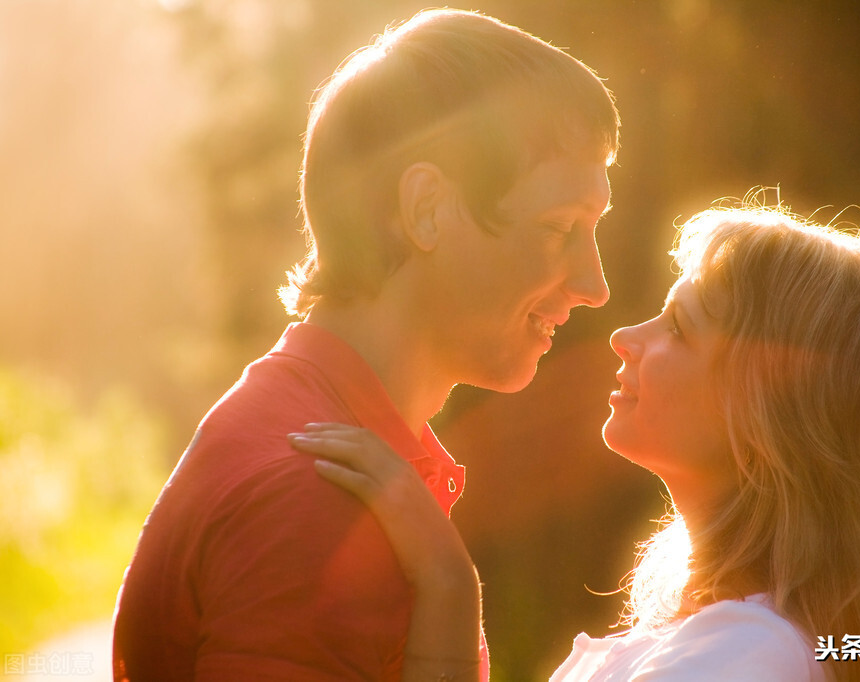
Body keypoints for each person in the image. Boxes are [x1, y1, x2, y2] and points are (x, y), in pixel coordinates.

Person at [112, 8, 619, 681]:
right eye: (560, 229)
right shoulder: (310, 500)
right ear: (426, 210)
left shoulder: (341, 455)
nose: (595, 286)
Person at [292, 200, 860, 682]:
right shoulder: (731, 643)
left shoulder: (742, 661)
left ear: (769, 411)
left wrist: (443, 581)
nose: (626, 338)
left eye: (678, 327)